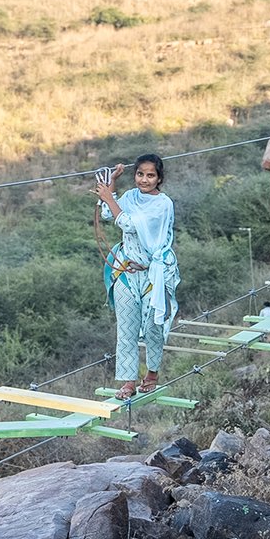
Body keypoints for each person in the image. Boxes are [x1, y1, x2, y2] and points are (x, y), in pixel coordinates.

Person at [94, 155, 179, 400]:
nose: (144, 179)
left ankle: (152, 374)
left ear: (159, 178)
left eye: (150, 175)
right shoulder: (130, 197)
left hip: (154, 273)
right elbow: (110, 215)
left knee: (153, 326)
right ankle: (128, 381)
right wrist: (112, 183)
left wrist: (109, 197)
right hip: (126, 272)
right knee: (127, 327)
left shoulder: (163, 204)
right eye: (140, 174)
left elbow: (130, 224)